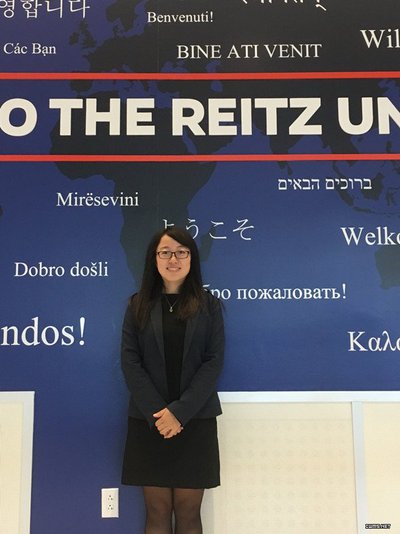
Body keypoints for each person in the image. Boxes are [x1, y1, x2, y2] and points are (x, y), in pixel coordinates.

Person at [121, 226, 225, 534]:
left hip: (196, 420)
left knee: (189, 513)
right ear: (154, 259)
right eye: (165, 252)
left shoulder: (209, 305)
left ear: (192, 259)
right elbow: (130, 362)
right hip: (149, 421)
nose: (173, 260)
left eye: (181, 252)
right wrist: (161, 415)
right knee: (156, 511)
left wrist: (178, 413)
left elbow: (213, 362)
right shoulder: (137, 305)